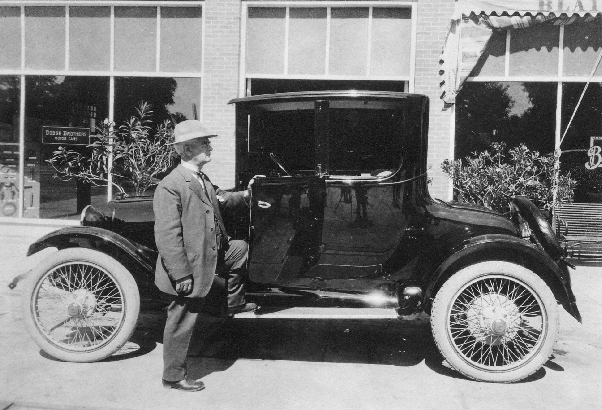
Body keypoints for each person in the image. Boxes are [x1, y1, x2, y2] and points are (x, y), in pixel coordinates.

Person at [153, 120, 257, 392]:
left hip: (212, 254)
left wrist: (251, 194)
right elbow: (167, 237)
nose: (210, 147)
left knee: (240, 249)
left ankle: (232, 303)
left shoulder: (201, 179)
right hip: (189, 264)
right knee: (182, 317)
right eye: (204, 143)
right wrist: (181, 274)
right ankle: (173, 376)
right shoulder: (171, 186)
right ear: (187, 149)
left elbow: (223, 198)